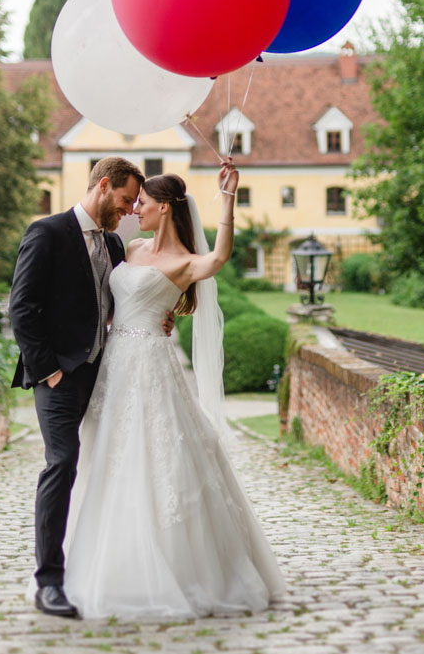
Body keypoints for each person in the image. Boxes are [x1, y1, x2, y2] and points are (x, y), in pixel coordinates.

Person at [64, 160, 286, 620]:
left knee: (157, 458)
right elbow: (111, 299)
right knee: (108, 458)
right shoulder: (132, 247)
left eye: (141, 203)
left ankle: (175, 570)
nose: (134, 210)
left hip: (151, 369)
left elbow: (220, 258)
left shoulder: (185, 262)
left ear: (164, 208)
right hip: (114, 367)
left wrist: (227, 198)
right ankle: (105, 556)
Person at [9, 156, 145, 618]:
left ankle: (113, 569)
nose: (129, 211)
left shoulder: (113, 243)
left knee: (121, 464)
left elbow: (118, 302)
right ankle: (48, 582)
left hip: (107, 372)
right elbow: (22, 309)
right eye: (125, 200)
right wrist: (49, 371)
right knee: (62, 463)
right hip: (59, 376)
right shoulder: (46, 233)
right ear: (104, 186)